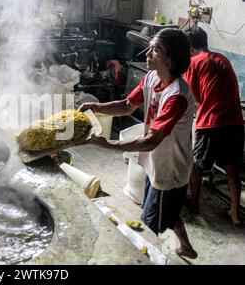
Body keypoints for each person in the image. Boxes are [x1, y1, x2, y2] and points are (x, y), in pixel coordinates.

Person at [78, 28, 198, 259]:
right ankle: (187, 248)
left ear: (171, 58)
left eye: (156, 50)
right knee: (167, 211)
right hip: (157, 160)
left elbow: (151, 140)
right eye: (150, 47)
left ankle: (150, 257)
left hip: (170, 167)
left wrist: (109, 144)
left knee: (150, 223)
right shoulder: (152, 77)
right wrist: (96, 107)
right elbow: (126, 105)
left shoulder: (177, 96)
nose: (148, 52)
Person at [184, 26, 244, 225]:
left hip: (211, 122)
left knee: (197, 165)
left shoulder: (194, 62)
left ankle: (195, 204)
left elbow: (194, 98)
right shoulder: (223, 59)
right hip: (235, 122)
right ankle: (235, 213)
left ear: (190, 48)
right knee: (232, 169)